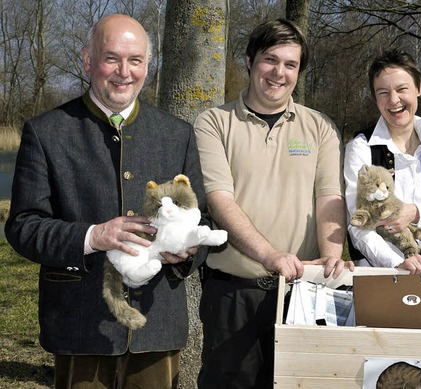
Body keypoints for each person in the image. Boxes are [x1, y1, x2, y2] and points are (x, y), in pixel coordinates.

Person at [4, 14, 209, 388]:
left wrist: (188, 251)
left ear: (148, 64)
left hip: (156, 325)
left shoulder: (177, 134)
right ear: (87, 60)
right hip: (79, 324)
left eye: (135, 60)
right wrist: (92, 236)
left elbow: (202, 219)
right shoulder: (47, 131)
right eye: (111, 58)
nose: (124, 72)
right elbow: (23, 226)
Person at [193, 19, 352, 388]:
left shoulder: (321, 127)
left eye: (291, 64)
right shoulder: (213, 123)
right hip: (233, 294)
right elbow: (219, 200)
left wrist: (331, 255)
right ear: (249, 61)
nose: (279, 73)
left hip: (304, 294)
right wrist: (270, 256)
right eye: (270, 60)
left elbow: (329, 197)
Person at [344, 48, 421, 273]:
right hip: (383, 273)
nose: (393, 100)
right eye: (383, 92)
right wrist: (398, 264)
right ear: (375, 98)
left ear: (419, 88)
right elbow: (357, 227)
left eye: (402, 89)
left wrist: (413, 212)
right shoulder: (361, 148)